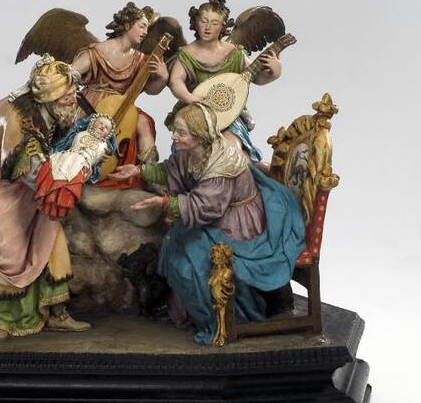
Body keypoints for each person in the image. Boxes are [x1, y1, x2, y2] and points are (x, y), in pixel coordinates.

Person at [109, 103, 305, 345]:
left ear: (200, 136)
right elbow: (174, 169)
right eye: (175, 131)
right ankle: (190, 310)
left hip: (239, 223)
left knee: (192, 263)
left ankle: (227, 318)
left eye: (181, 132)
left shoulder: (222, 163)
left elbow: (206, 206)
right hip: (217, 215)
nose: (174, 136)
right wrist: (139, 171)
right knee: (174, 244)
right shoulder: (194, 151)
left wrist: (165, 202)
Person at [0, 54, 91, 339]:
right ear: (50, 98)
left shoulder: (45, 112)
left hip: (19, 188)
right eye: (67, 98)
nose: (73, 102)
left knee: (50, 226)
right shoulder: (16, 119)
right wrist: (75, 172)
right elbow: (28, 172)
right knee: (4, 250)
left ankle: (56, 311)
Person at [167, 0, 282, 163]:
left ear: (223, 26)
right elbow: (175, 81)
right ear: (195, 22)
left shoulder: (234, 52)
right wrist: (191, 98)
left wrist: (274, 72)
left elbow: (255, 77)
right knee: (189, 157)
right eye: (204, 21)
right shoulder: (187, 53)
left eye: (214, 23)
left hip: (229, 116)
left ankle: (243, 172)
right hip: (195, 115)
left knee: (233, 151)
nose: (208, 27)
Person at [71, 2, 169, 181]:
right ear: (127, 25)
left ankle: (147, 172)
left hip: (123, 105)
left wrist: (162, 77)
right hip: (93, 102)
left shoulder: (140, 59)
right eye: (142, 26)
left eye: (147, 28)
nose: (145, 32)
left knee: (144, 122)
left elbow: (150, 89)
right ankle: (79, 168)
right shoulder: (100, 50)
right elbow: (72, 72)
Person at [34, 113, 117, 219]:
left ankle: (59, 206)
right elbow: (72, 144)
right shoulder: (81, 133)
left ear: (108, 135)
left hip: (83, 165)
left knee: (70, 184)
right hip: (68, 157)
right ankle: (47, 195)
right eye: (100, 123)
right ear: (92, 123)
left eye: (106, 128)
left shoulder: (103, 146)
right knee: (54, 170)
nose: (103, 127)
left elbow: (96, 159)